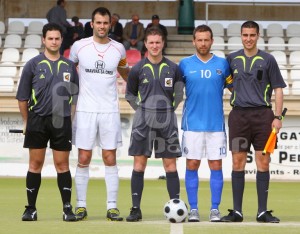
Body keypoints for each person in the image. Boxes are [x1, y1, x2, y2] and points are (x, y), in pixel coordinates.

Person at [220, 20, 286, 223]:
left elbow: (278, 89)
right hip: (239, 117)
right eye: (245, 35)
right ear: (241, 36)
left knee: (263, 162)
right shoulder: (231, 59)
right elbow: (226, 83)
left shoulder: (268, 59)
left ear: (258, 36)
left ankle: (262, 212)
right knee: (237, 161)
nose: (248, 39)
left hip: (263, 118)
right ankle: (237, 212)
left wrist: (277, 117)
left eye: (252, 35)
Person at [69, 7, 130, 221]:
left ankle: (112, 207)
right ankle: (81, 206)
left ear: (110, 25)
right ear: (92, 24)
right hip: (85, 109)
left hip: (109, 110)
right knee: (83, 158)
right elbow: (68, 72)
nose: (102, 26)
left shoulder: (119, 49)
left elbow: (125, 72)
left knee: (109, 157)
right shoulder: (79, 46)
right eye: (98, 22)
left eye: (105, 23)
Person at [16, 22, 79, 222]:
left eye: (57, 38)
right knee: (35, 164)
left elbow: (74, 98)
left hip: (62, 122)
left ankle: (67, 209)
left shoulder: (69, 66)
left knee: (63, 165)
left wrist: (70, 119)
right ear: (44, 40)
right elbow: (22, 97)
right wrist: (27, 122)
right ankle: (31, 209)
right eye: (50, 38)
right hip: (37, 121)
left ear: (61, 40)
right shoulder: (32, 65)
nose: (53, 41)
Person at [125, 26, 184, 222]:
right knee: (139, 164)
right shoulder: (137, 68)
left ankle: (175, 205)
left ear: (163, 43)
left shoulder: (173, 68)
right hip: (143, 121)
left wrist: (167, 109)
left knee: (170, 165)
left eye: (158, 42)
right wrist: (142, 110)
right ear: (146, 44)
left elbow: (178, 94)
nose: (155, 46)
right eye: (151, 42)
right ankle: (135, 209)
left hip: (166, 121)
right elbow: (130, 94)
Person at [179, 24, 233, 222]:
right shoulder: (184, 64)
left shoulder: (223, 64)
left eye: (206, 40)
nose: (203, 43)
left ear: (212, 41)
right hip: (192, 124)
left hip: (216, 124)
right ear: (194, 41)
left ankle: (214, 209)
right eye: (199, 40)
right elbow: (175, 91)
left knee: (215, 165)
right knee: (192, 164)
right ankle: (193, 209)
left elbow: (234, 88)